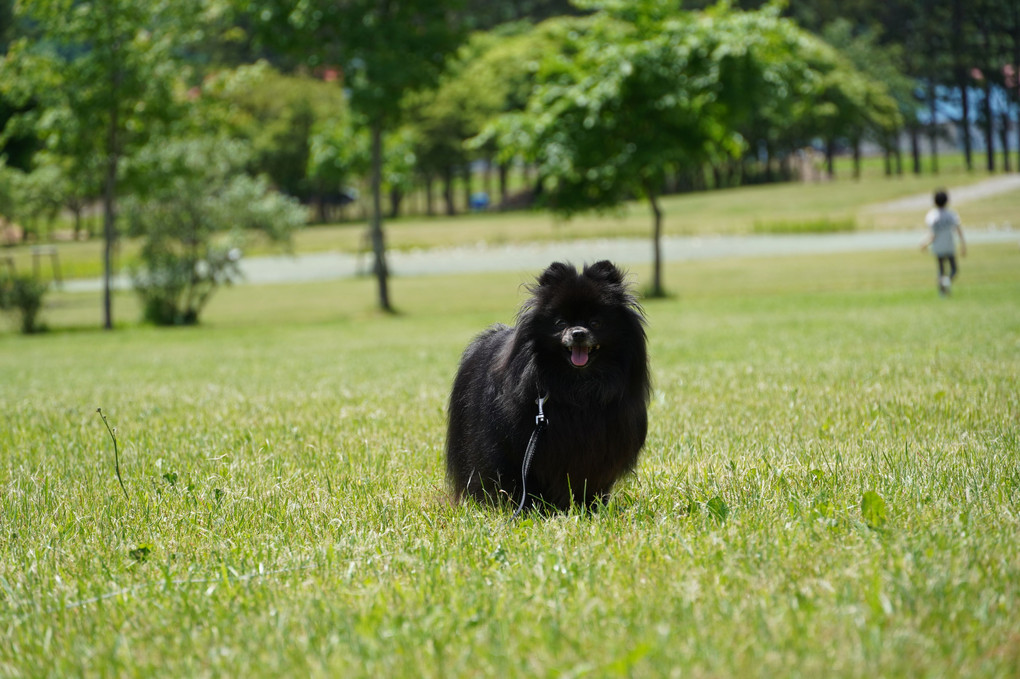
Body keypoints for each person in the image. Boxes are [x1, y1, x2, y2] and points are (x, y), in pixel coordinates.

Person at [920, 189, 966, 296]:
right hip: (949, 245)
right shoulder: (951, 215)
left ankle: (942, 291)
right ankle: (946, 284)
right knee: (953, 270)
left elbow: (933, 234)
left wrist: (925, 244)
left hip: (938, 247)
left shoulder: (932, 216)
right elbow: (958, 230)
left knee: (941, 270)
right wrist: (963, 245)